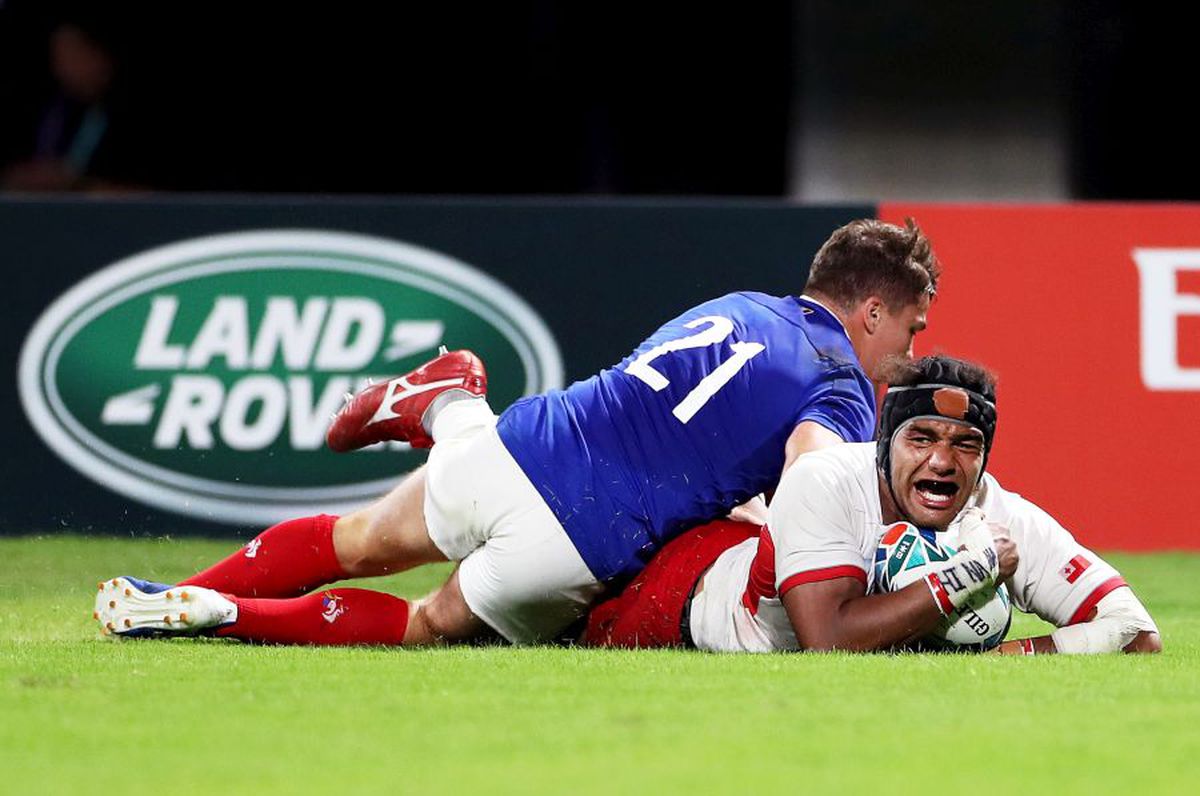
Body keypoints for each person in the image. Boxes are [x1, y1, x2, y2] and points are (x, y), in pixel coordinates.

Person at [95, 219, 939, 647]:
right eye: (911, 325)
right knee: (425, 622)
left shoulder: (740, 305)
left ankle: (179, 586)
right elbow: (812, 479)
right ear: (870, 310)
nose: (913, 348)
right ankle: (225, 612)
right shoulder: (841, 385)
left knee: (357, 539)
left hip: (532, 441)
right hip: (579, 538)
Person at [583, 355, 1161, 655]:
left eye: (966, 444)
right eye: (921, 438)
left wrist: (1005, 660)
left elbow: (1134, 632)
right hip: (681, 597)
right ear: (884, 444)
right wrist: (973, 574)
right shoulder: (828, 479)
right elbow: (828, 641)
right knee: (536, 619)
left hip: (747, 570)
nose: (942, 462)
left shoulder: (999, 513)